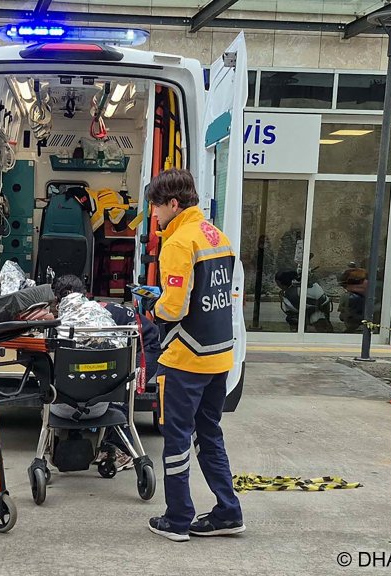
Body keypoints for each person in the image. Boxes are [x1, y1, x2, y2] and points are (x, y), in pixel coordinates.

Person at [140, 168, 245, 542]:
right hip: (218, 356)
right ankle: (228, 511)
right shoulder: (218, 237)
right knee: (209, 434)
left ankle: (178, 517)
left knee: (176, 438)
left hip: (185, 359)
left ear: (172, 203)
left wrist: (154, 306)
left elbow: (176, 308)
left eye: (155, 207)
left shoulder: (178, 242)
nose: (153, 215)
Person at [50, 274, 160, 472]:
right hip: (132, 344)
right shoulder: (87, 311)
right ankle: (108, 445)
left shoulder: (94, 315)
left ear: (59, 300)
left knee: (122, 392)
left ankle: (123, 450)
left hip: (146, 347)